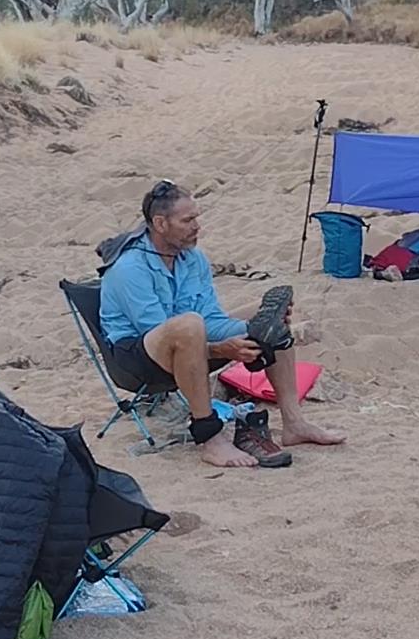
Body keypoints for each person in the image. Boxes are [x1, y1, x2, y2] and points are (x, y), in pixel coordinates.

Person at [99, 180, 346, 467]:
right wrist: (223, 350)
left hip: (188, 341)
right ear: (160, 223)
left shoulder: (192, 258)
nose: (196, 226)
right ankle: (209, 437)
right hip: (136, 358)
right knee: (189, 325)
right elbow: (160, 332)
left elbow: (211, 318)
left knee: (270, 320)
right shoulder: (130, 268)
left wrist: (254, 332)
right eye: (188, 220)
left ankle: (294, 423)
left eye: (197, 218)